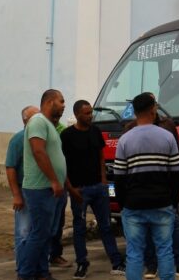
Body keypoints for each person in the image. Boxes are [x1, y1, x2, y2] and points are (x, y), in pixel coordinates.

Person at [114, 93, 179, 280]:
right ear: (153, 109)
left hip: (134, 205)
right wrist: (173, 202)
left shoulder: (125, 140)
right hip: (162, 203)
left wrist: (123, 205)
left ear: (134, 112)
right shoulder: (167, 137)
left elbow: (119, 178)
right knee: (165, 250)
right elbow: (176, 175)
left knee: (134, 253)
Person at [61, 99, 125, 278]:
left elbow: (100, 156)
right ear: (77, 115)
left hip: (98, 188)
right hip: (79, 190)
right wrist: (70, 188)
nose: (90, 116)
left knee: (105, 226)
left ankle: (116, 262)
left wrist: (104, 180)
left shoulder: (96, 131)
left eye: (91, 113)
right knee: (79, 228)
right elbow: (62, 163)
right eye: (87, 113)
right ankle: (82, 264)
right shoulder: (66, 136)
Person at [143, 94, 179, 279]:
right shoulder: (134, 128)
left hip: (167, 187)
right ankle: (151, 266)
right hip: (146, 188)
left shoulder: (168, 125)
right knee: (148, 228)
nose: (155, 106)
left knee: (174, 226)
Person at [17, 89, 67, 280]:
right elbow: (38, 152)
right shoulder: (38, 121)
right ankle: (25, 274)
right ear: (49, 102)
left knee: (46, 234)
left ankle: (41, 272)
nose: (64, 105)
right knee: (38, 234)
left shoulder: (49, 125)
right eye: (61, 101)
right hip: (40, 188)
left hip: (50, 189)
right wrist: (54, 180)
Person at [5, 105, 39, 270]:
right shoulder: (18, 139)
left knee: (39, 231)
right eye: (35, 117)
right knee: (24, 231)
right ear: (25, 121)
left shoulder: (42, 137)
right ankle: (23, 269)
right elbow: (10, 167)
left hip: (41, 191)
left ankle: (38, 267)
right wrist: (16, 195)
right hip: (24, 191)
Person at [48, 116, 72, 269]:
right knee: (45, 223)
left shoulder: (64, 131)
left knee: (58, 222)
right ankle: (42, 257)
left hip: (61, 184)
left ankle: (55, 254)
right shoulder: (42, 130)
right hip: (44, 185)